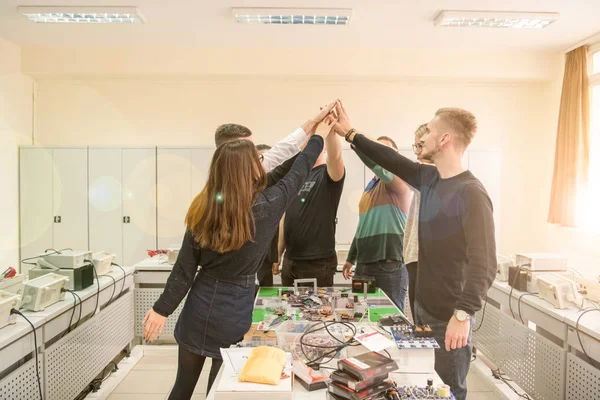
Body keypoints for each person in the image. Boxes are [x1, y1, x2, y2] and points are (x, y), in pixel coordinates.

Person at [142, 107, 337, 400]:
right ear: (249, 169)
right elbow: (296, 172)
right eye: (258, 160)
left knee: (182, 387)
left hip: (199, 305)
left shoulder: (204, 206)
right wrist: (319, 137)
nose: (263, 162)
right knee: (219, 388)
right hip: (234, 309)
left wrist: (161, 309)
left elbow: (184, 269)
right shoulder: (266, 206)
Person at [334, 102, 496, 400]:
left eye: (431, 131)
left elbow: (484, 263)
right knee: (426, 383)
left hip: (450, 313)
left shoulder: (471, 192)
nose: (424, 138)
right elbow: (390, 159)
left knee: (450, 387)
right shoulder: (430, 179)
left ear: (445, 139)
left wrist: (462, 315)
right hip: (422, 303)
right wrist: (351, 133)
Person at [342, 136, 412, 312]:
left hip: (389, 265)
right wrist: (351, 258)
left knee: (390, 320)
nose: (379, 154)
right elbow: (362, 226)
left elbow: (376, 163)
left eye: (384, 151)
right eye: (376, 149)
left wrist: (355, 141)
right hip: (364, 264)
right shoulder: (369, 188)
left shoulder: (399, 181)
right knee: (361, 317)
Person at [278, 112, 346, 287]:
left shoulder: (328, 175)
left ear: (322, 147)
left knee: (316, 313)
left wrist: (329, 130)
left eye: (314, 142)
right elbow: (286, 216)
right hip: (290, 259)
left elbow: (336, 156)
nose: (308, 146)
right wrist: (278, 253)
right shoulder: (296, 176)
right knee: (287, 312)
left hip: (317, 262)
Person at [403, 123, 430, 319]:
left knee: (425, 326)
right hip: (414, 259)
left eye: (421, 145)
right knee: (418, 323)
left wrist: (352, 135)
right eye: (416, 146)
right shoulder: (425, 174)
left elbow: (386, 161)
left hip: (425, 261)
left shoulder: (432, 174)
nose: (417, 153)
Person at [255, 143, 280, 287]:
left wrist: (276, 255)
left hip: (267, 259)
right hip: (250, 259)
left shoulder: (277, 189)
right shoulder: (249, 189)